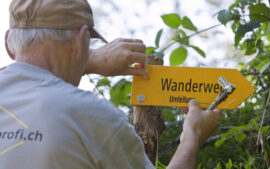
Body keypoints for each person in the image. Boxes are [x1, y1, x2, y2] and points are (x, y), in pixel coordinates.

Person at [0, 0, 221, 169]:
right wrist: (193, 134)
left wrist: (88, 60)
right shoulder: (90, 114)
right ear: (81, 40)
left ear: (9, 44)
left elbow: (37, 74)